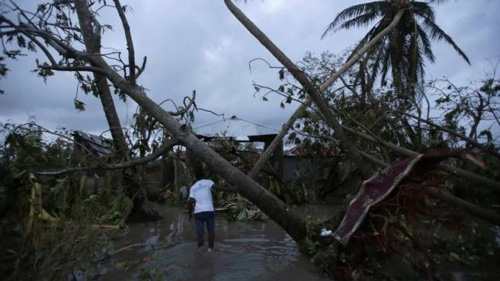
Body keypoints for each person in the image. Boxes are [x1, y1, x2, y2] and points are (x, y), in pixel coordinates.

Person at [187, 173, 217, 251]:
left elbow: (190, 202)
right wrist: (232, 189)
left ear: (195, 178)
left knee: (200, 232)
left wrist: (190, 214)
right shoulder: (208, 182)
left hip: (198, 213)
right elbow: (217, 188)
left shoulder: (193, 187)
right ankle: (210, 249)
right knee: (211, 231)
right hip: (209, 211)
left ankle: (200, 249)